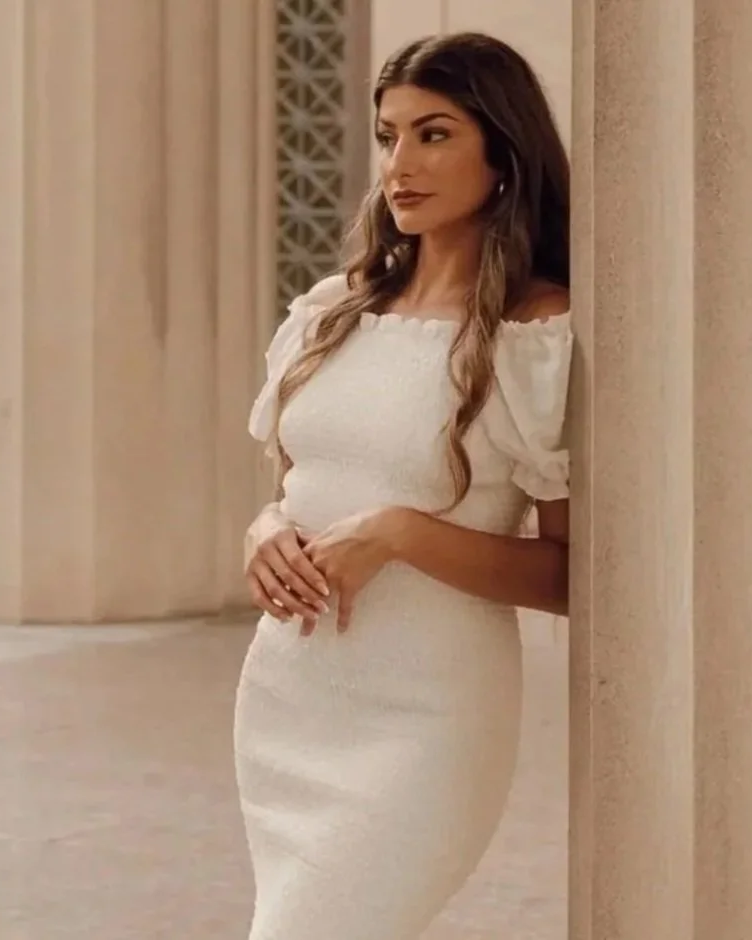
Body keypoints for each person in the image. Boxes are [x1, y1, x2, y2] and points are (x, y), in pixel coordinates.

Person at [235, 31, 572, 940]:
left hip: (427, 715)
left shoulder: (532, 332)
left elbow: (570, 575)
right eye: (389, 136)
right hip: (293, 696)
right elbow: (294, 484)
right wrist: (264, 530)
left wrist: (398, 531)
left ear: (503, 154)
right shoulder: (333, 311)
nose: (400, 165)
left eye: (434, 134)